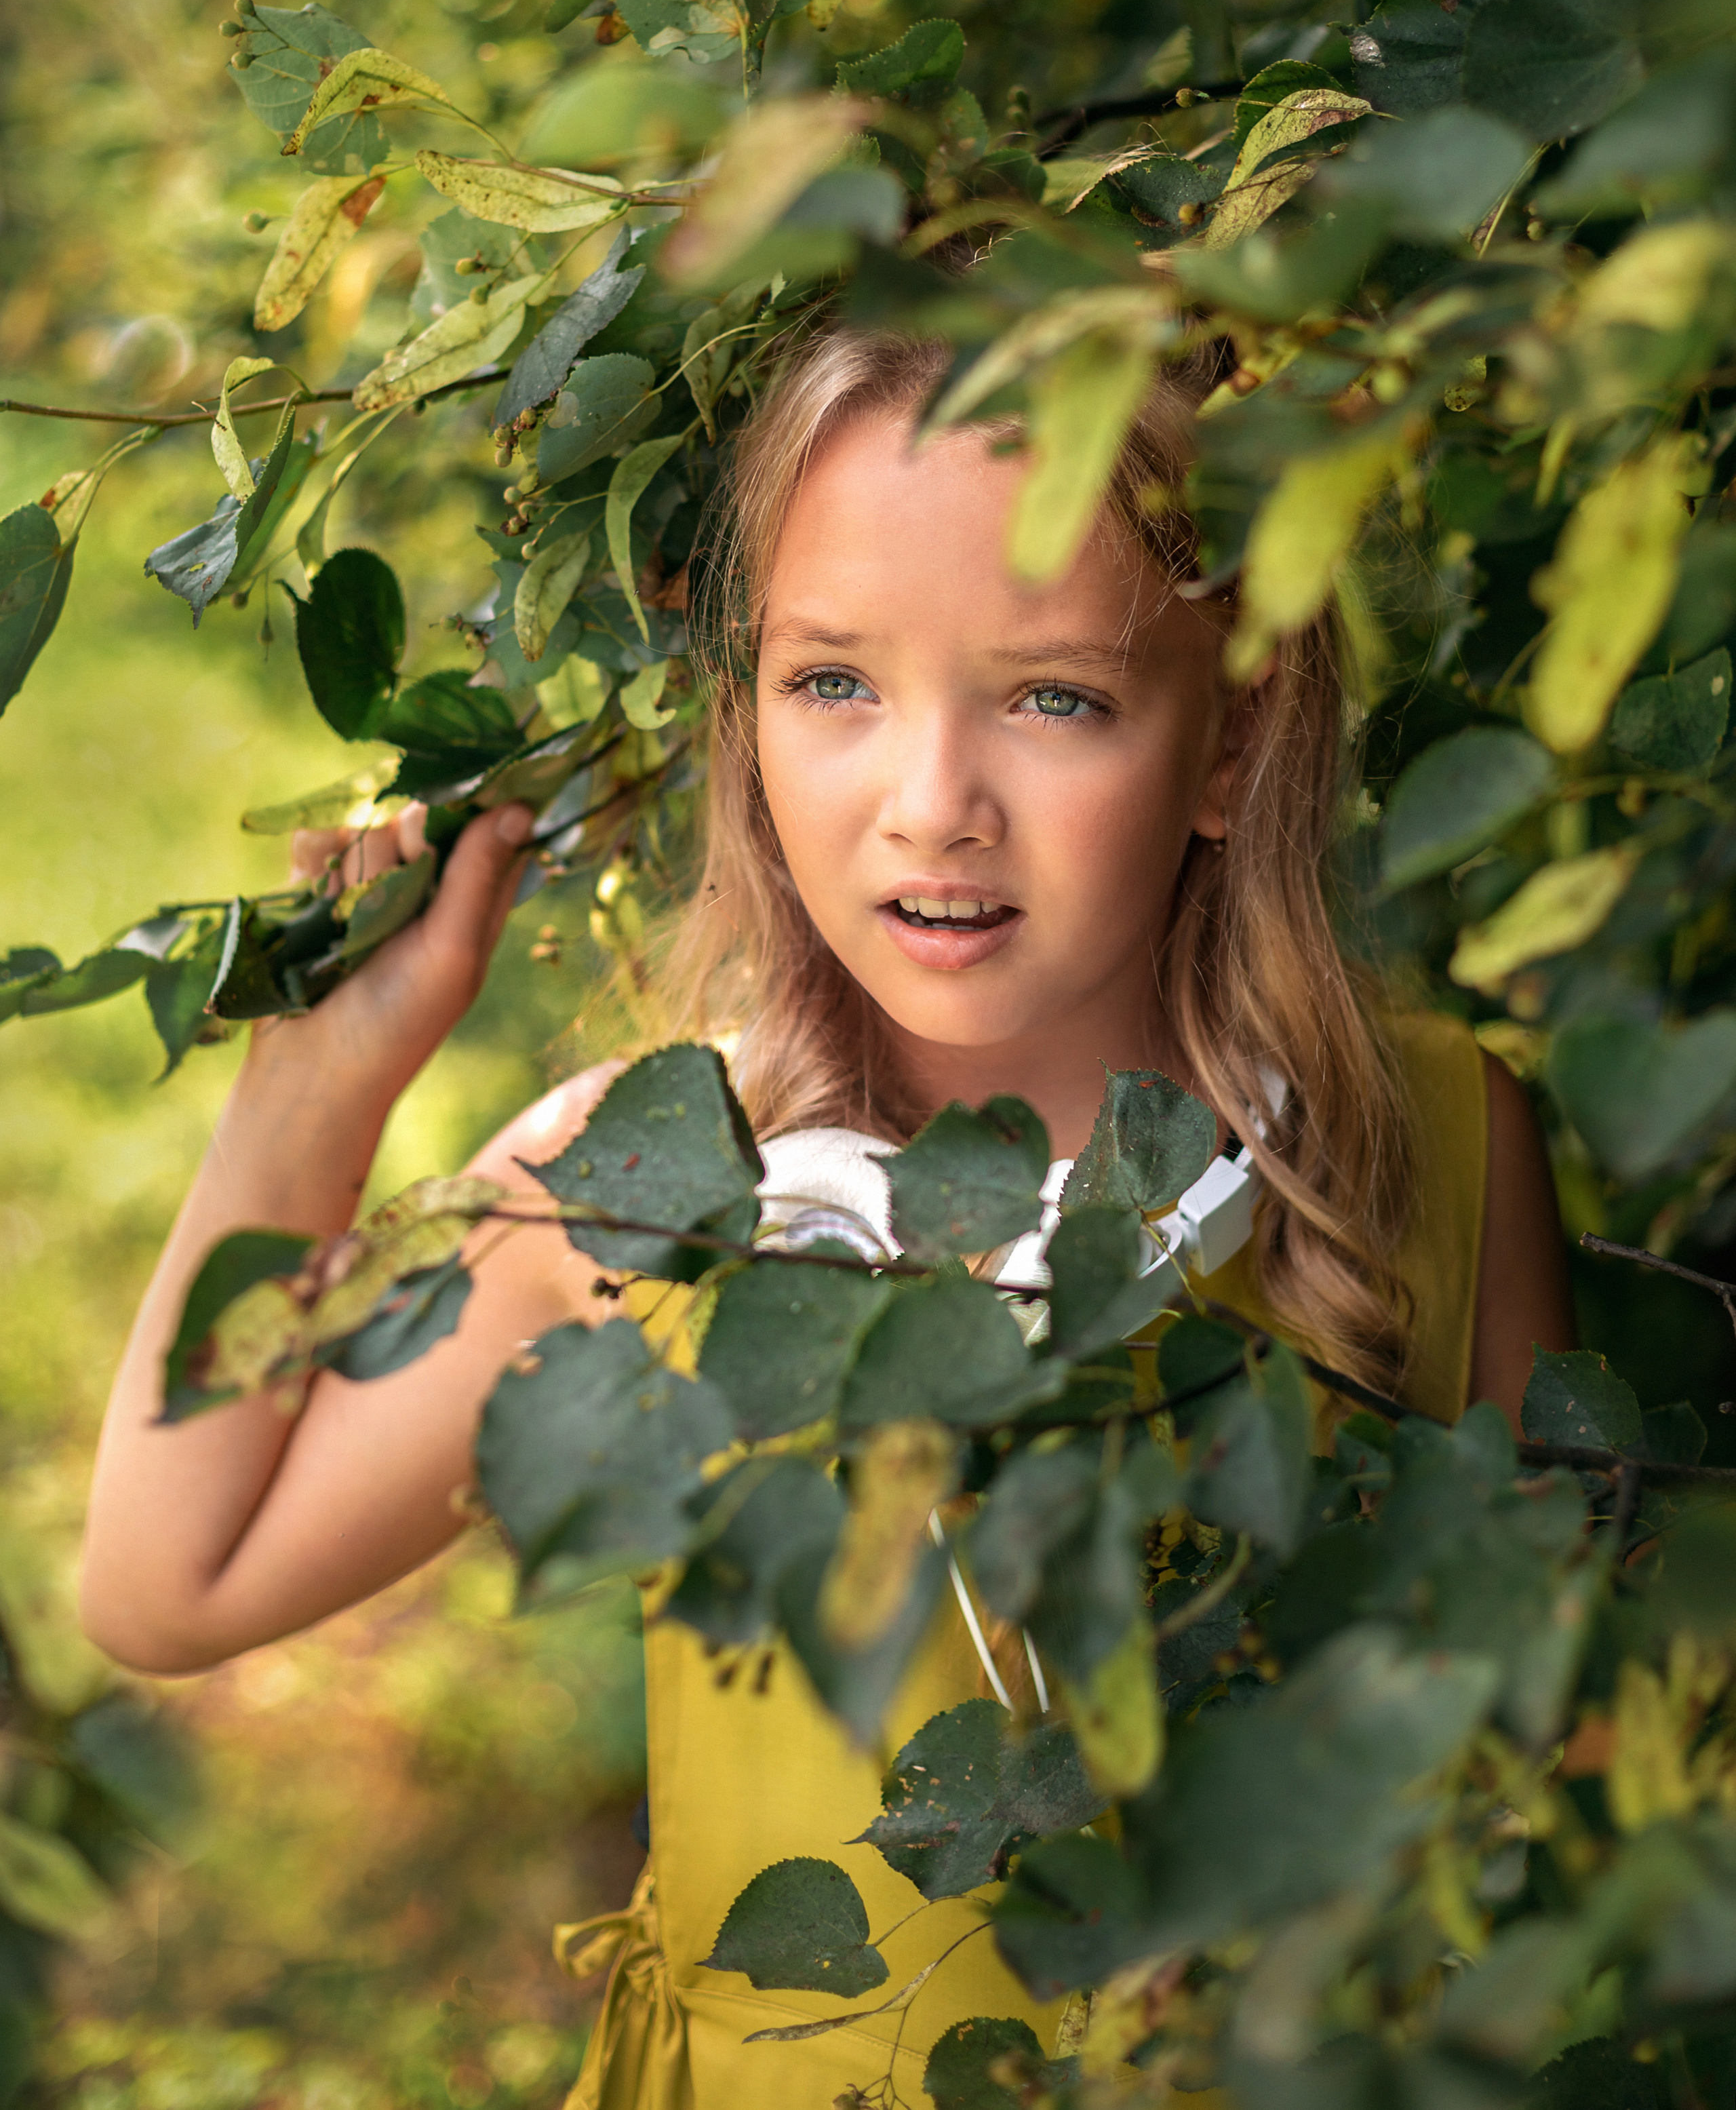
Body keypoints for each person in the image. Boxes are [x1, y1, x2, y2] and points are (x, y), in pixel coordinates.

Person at [80, 325, 1574, 2107]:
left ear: (1233, 741)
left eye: (1054, 697)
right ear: (747, 708)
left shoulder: (1417, 1148)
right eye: (836, 684)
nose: (930, 804)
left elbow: (1542, 1807)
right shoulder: (653, 1184)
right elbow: (168, 1581)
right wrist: (314, 1093)